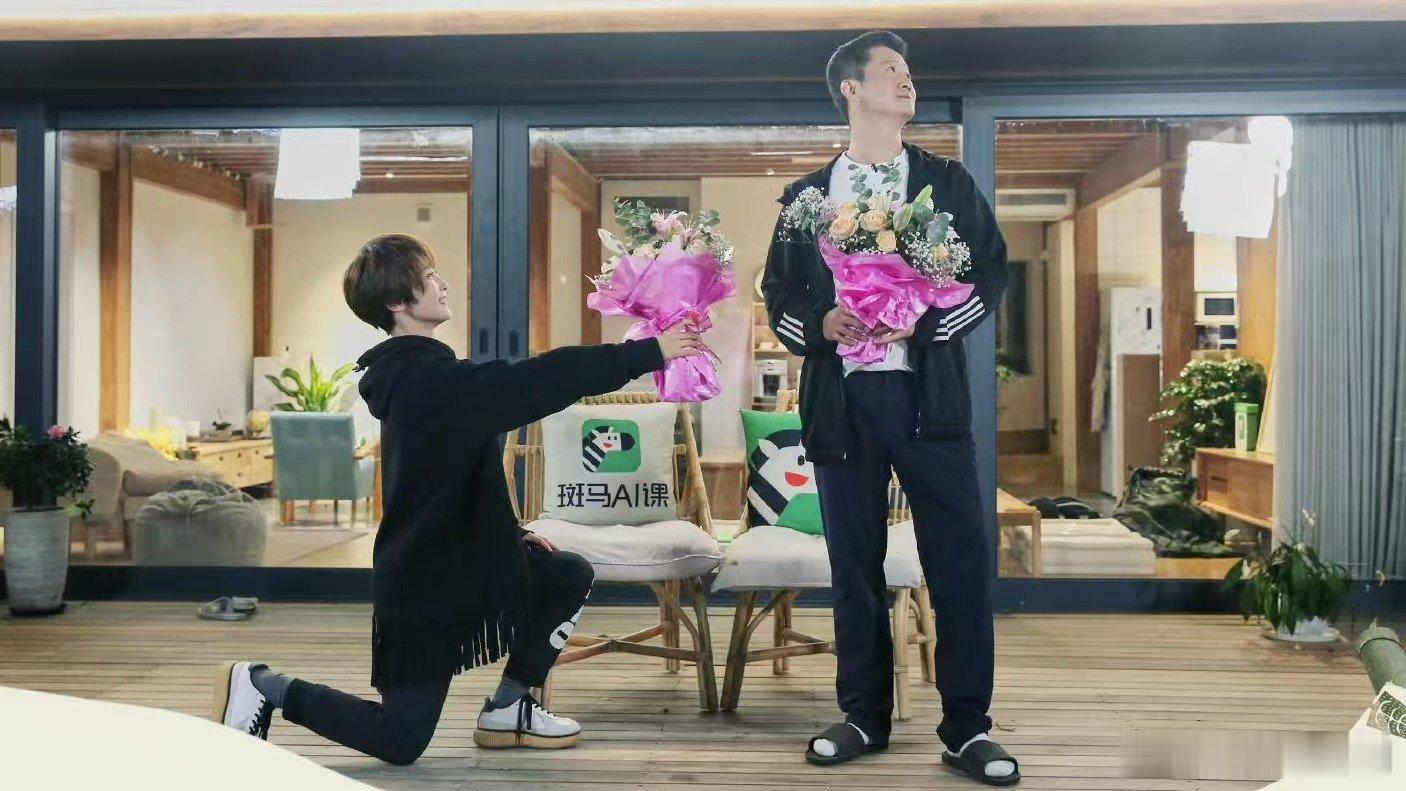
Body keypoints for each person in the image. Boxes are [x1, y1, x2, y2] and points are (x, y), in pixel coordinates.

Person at [213, 233, 702, 764]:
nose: (442, 284)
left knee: (564, 573)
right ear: (397, 302)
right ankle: (263, 685)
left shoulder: (419, 375)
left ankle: (509, 707)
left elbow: (443, 479)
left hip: (458, 564)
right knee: (400, 741)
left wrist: (510, 535)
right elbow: (540, 378)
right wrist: (648, 352)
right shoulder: (427, 381)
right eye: (429, 277)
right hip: (425, 586)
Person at [761, 31, 1018, 786]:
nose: (907, 81)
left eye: (909, 72)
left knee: (960, 564)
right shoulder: (807, 198)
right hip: (842, 405)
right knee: (855, 569)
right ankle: (863, 716)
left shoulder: (947, 182)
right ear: (851, 90)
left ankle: (967, 728)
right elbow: (778, 295)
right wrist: (821, 325)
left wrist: (926, 323)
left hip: (930, 402)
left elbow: (989, 274)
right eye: (891, 71)